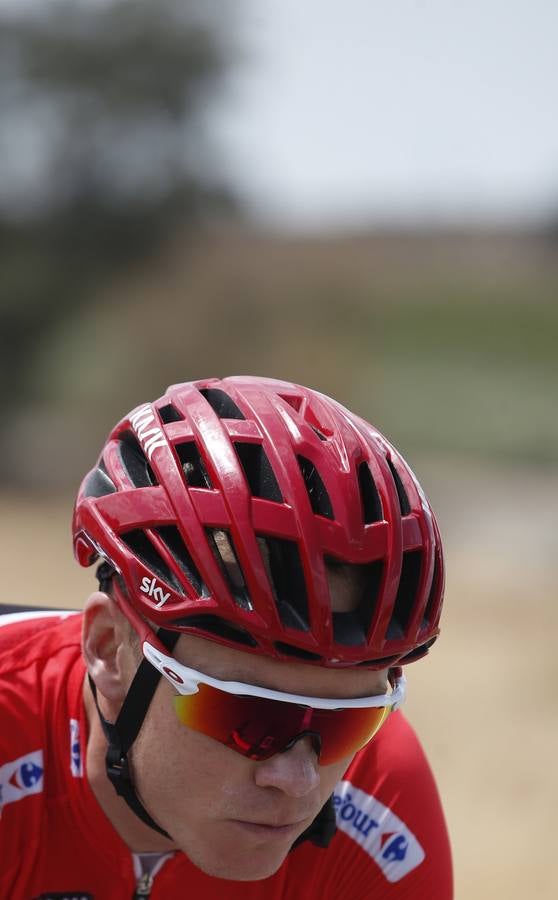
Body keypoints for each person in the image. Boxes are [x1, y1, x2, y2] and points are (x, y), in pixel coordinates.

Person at [0, 375, 453, 899]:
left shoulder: (379, 794)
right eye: (248, 718)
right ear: (109, 650)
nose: (298, 780)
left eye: (348, 724)